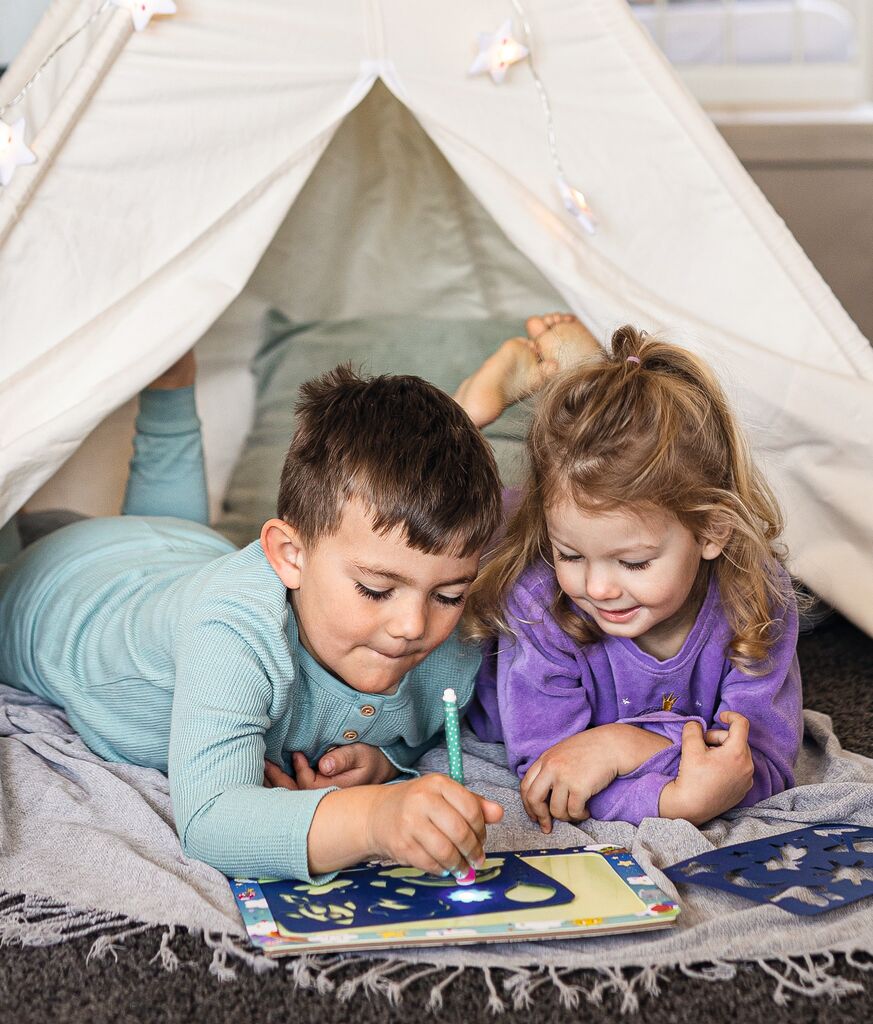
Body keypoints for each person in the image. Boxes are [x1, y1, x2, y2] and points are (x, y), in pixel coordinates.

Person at [0, 356, 505, 882]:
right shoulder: (232, 628)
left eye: (448, 594)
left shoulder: (446, 642)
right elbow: (212, 820)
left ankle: (169, 389)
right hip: (63, 592)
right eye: (375, 590)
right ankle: (160, 404)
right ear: (289, 556)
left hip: (188, 552)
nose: (413, 625)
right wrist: (373, 818)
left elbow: (420, 727)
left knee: (176, 528)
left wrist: (382, 763)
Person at [457, 318, 803, 832]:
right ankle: (465, 418)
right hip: (501, 558)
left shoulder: (757, 598)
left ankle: (585, 368)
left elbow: (760, 766)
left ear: (711, 532)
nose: (597, 589)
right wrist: (674, 800)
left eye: (634, 563)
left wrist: (624, 745)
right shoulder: (538, 602)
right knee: (442, 522)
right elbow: (551, 772)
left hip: (582, 522)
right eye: (571, 555)